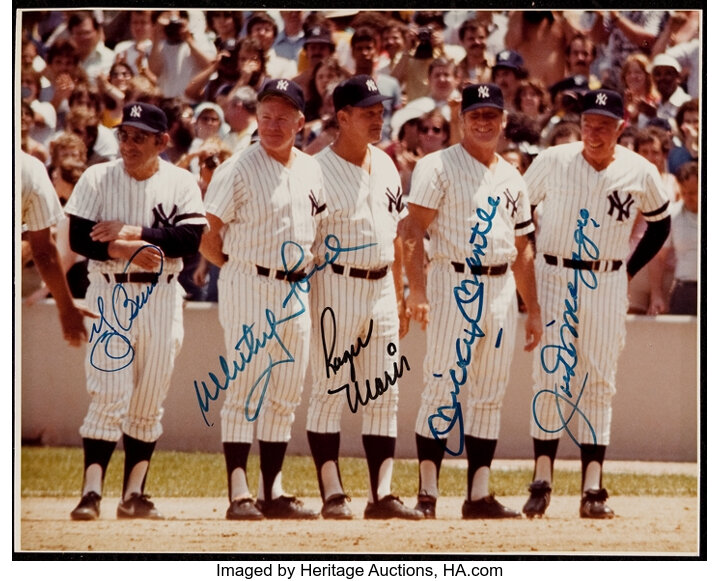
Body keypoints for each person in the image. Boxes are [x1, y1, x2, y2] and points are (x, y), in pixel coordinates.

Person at [521, 89, 671, 519]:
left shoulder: (639, 170)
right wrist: (530, 262)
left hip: (605, 278)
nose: (594, 131)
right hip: (553, 273)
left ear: (621, 127)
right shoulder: (553, 160)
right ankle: (542, 482)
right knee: (549, 374)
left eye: (604, 124)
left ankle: (592, 489)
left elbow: (660, 225)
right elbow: (520, 210)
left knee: (598, 378)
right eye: (589, 122)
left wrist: (629, 268)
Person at [403, 83, 543, 519]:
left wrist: (533, 307)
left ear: (503, 121)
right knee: (442, 386)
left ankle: (478, 496)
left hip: (500, 286)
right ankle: (427, 495)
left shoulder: (513, 176)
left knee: (489, 392)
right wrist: (419, 290)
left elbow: (522, 248)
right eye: (475, 114)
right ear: (461, 118)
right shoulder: (437, 165)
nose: (483, 122)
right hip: (453, 278)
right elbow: (411, 232)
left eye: (491, 115)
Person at [64, 102, 207, 521]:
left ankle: (135, 494)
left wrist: (133, 233)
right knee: (109, 393)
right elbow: (78, 237)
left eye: (139, 136)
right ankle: (91, 494)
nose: (128, 143)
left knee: (149, 398)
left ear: (162, 142)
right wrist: (122, 249)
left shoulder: (180, 180)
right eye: (124, 134)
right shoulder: (97, 175)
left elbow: (189, 238)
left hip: (162, 294)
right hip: (109, 291)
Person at [199, 79, 325, 520]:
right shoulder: (237, 167)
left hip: (295, 288)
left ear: (300, 122)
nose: (273, 125)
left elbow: (319, 230)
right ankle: (239, 494)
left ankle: (273, 492)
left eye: (283, 117)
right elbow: (207, 236)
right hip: (250, 281)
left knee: (286, 391)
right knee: (246, 387)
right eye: (266, 116)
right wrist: (237, 266)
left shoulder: (311, 169)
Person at [303, 75, 422, 521]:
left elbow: (395, 237)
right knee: (329, 391)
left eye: (380, 110)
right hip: (333, 285)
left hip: (380, 290)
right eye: (368, 112)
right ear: (343, 117)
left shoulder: (387, 164)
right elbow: (305, 242)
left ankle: (382, 495)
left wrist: (399, 294)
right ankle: (332, 492)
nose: (378, 118)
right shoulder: (315, 170)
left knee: (385, 393)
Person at [20, 150, 94, 345]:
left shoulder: (74, 216)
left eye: (57, 176)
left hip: (80, 284)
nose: (54, 179)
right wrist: (67, 309)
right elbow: (44, 253)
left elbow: (54, 255)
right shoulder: (29, 167)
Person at [648, 161, 698, 315]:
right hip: (685, 290)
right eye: (684, 193)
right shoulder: (671, 214)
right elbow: (658, 258)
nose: (688, 198)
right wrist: (656, 294)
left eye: (694, 192)